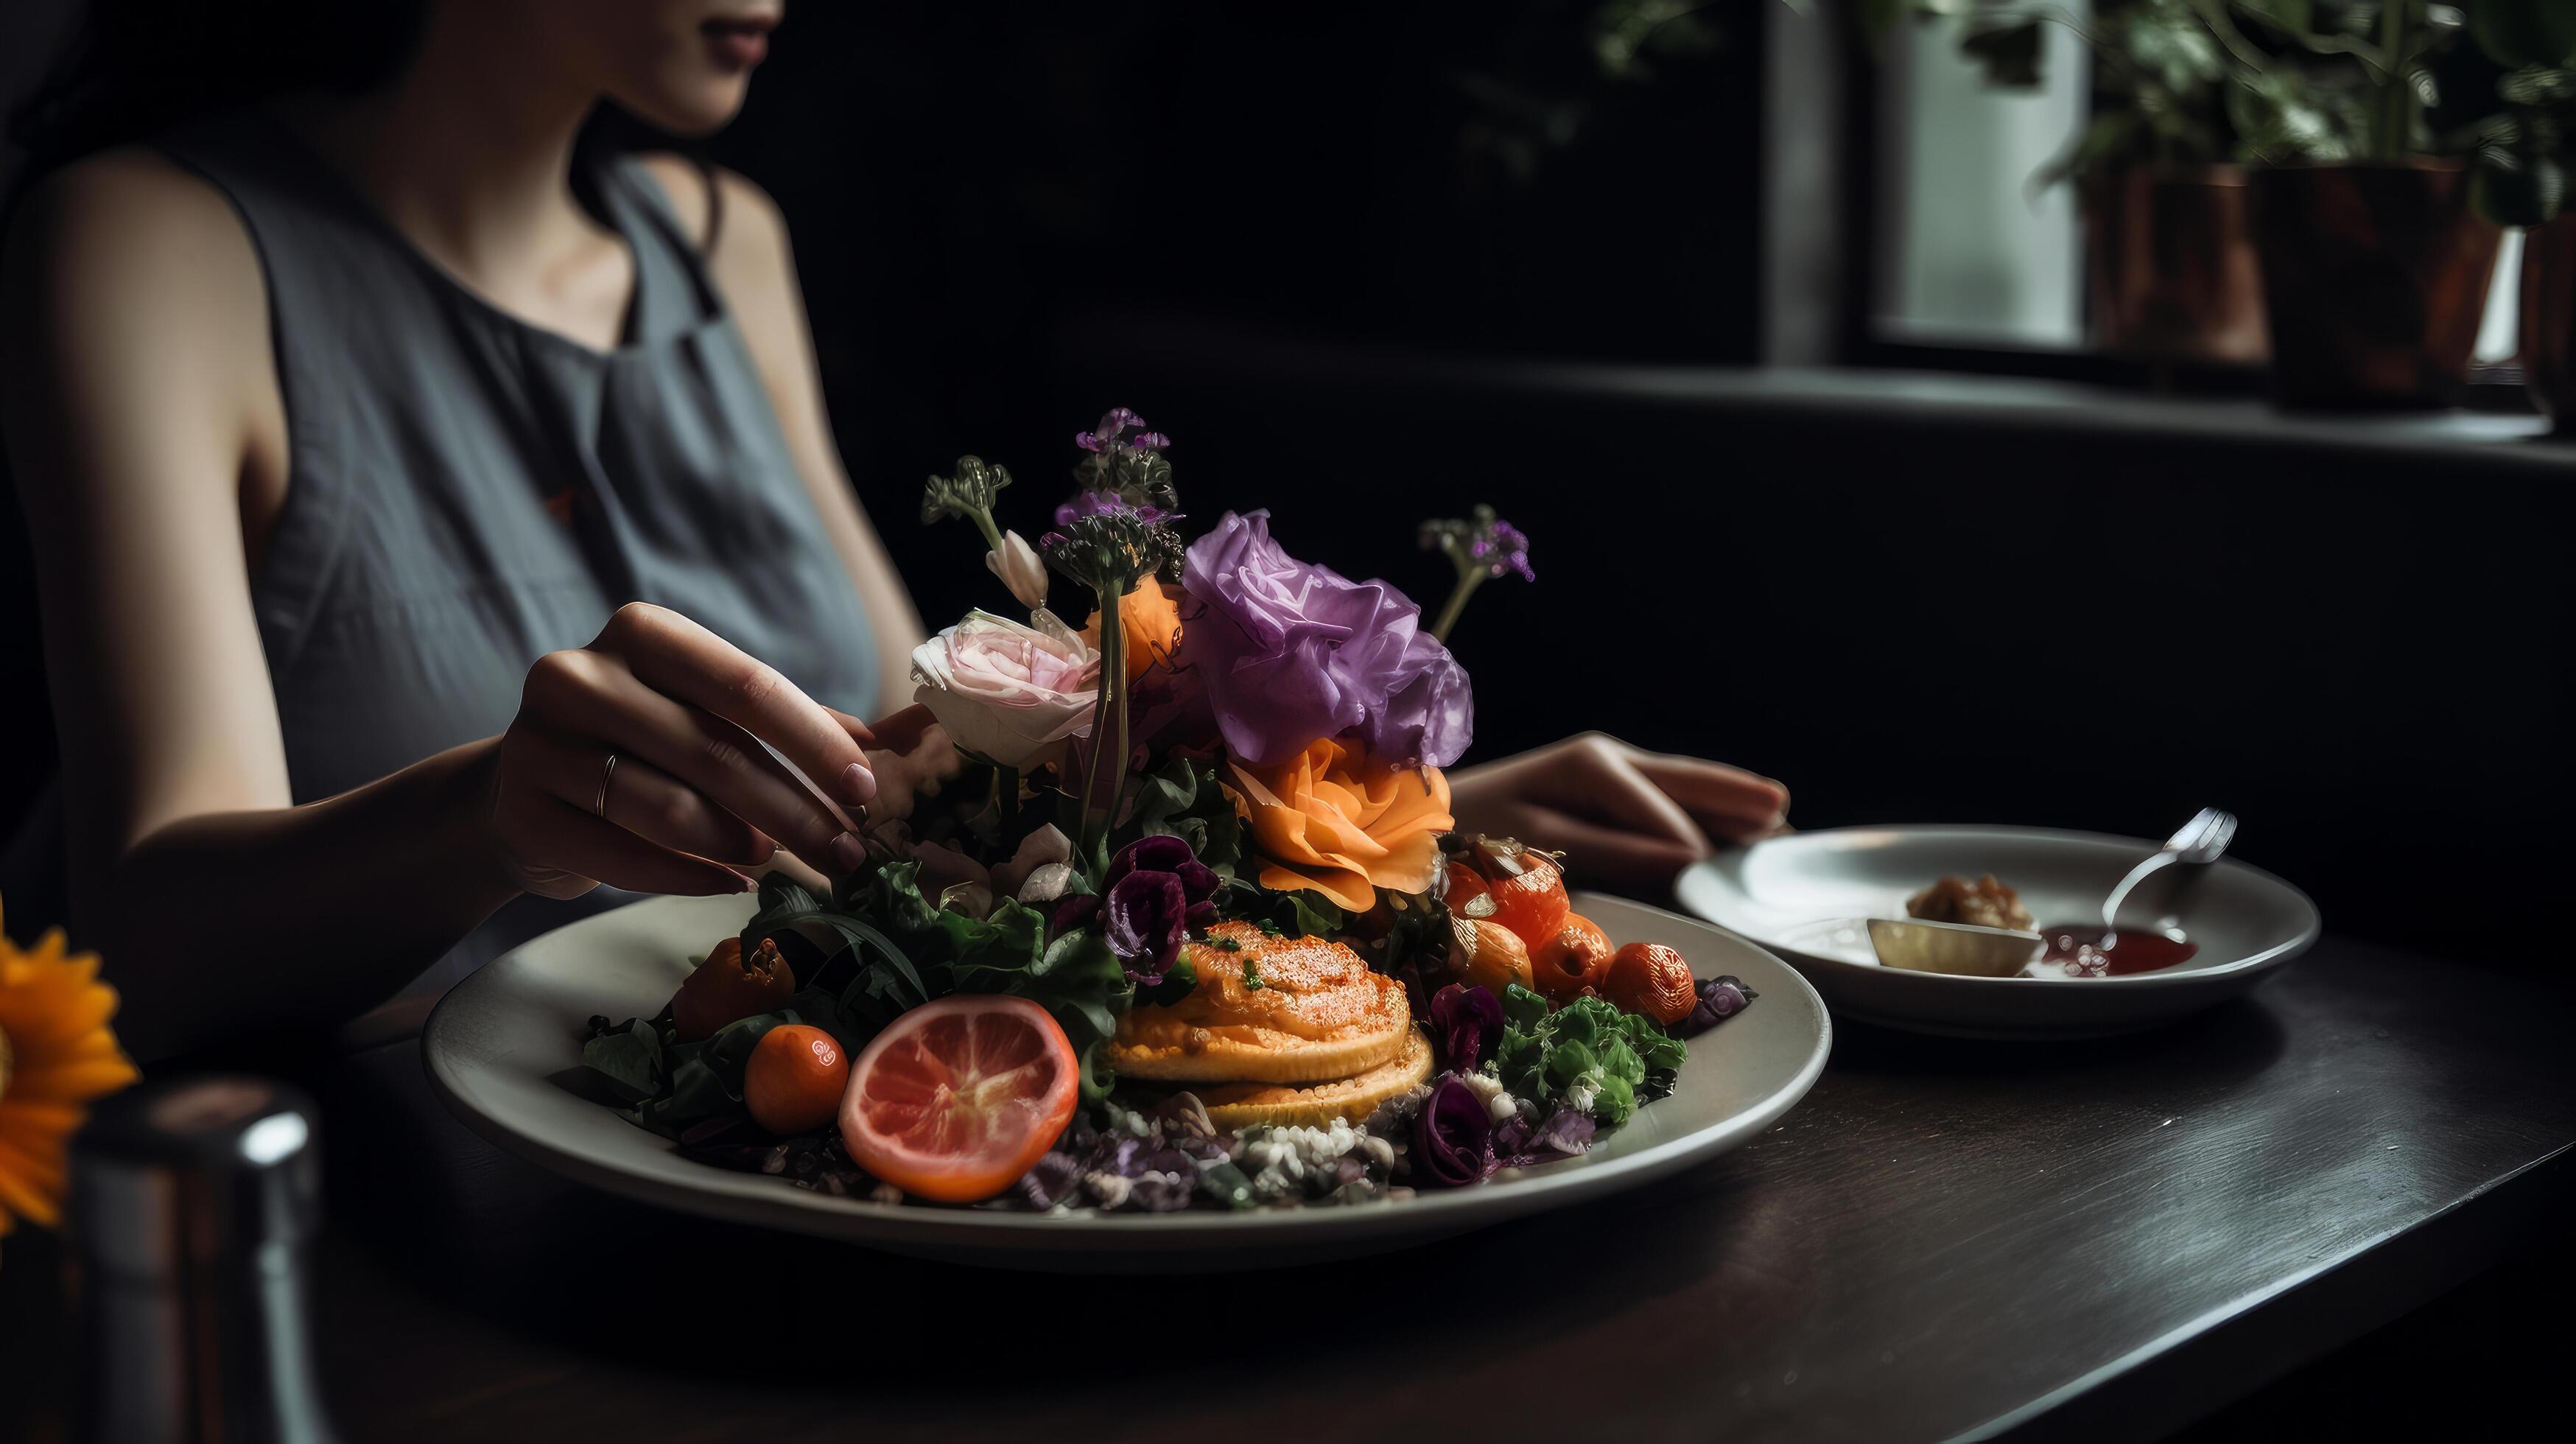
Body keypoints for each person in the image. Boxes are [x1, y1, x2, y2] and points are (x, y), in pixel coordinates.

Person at [1, 0, 1788, 1061]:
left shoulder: (726, 239)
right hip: (363, 1244)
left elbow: (912, 795)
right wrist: (493, 816)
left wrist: (1372, 826)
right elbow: (134, 948)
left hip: (768, 1188)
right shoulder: (153, 248)